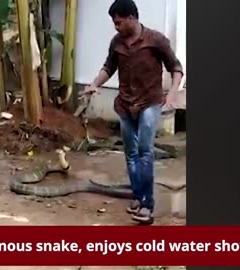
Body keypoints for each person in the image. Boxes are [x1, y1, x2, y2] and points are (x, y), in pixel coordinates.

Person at [83, 0, 183, 225]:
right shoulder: (116, 42)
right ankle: (138, 196)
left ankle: (147, 205)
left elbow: (175, 67)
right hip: (125, 105)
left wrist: (174, 92)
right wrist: (94, 84)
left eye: (118, 22)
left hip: (149, 103)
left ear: (131, 18)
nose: (115, 27)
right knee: (130, 154)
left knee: (144, 152)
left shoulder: (156, 40)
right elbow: (108, 67)